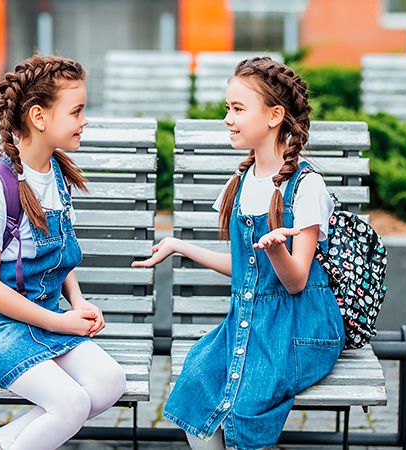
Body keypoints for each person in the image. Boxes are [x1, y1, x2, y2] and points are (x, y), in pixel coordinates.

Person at [132, 57, 344, 450]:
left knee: (247, 401)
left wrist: (277, 248)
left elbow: (296, 281)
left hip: (300, 328)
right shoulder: (241, 181)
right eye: (227, 108)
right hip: (248, 321)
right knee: (197, 378)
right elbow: (247, 273)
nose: (228, 119)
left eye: (238, 109)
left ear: (275, 116)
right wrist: (179, 245)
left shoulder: (307, 186)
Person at [0, 55, 126, 450]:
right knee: (70, 403)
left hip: (45, 319)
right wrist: (61, 322)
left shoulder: (57, 175)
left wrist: (78, 303)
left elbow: (59, 255)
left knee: (109, 381)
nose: (85, 121)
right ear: (39, 116)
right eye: (77, 111)